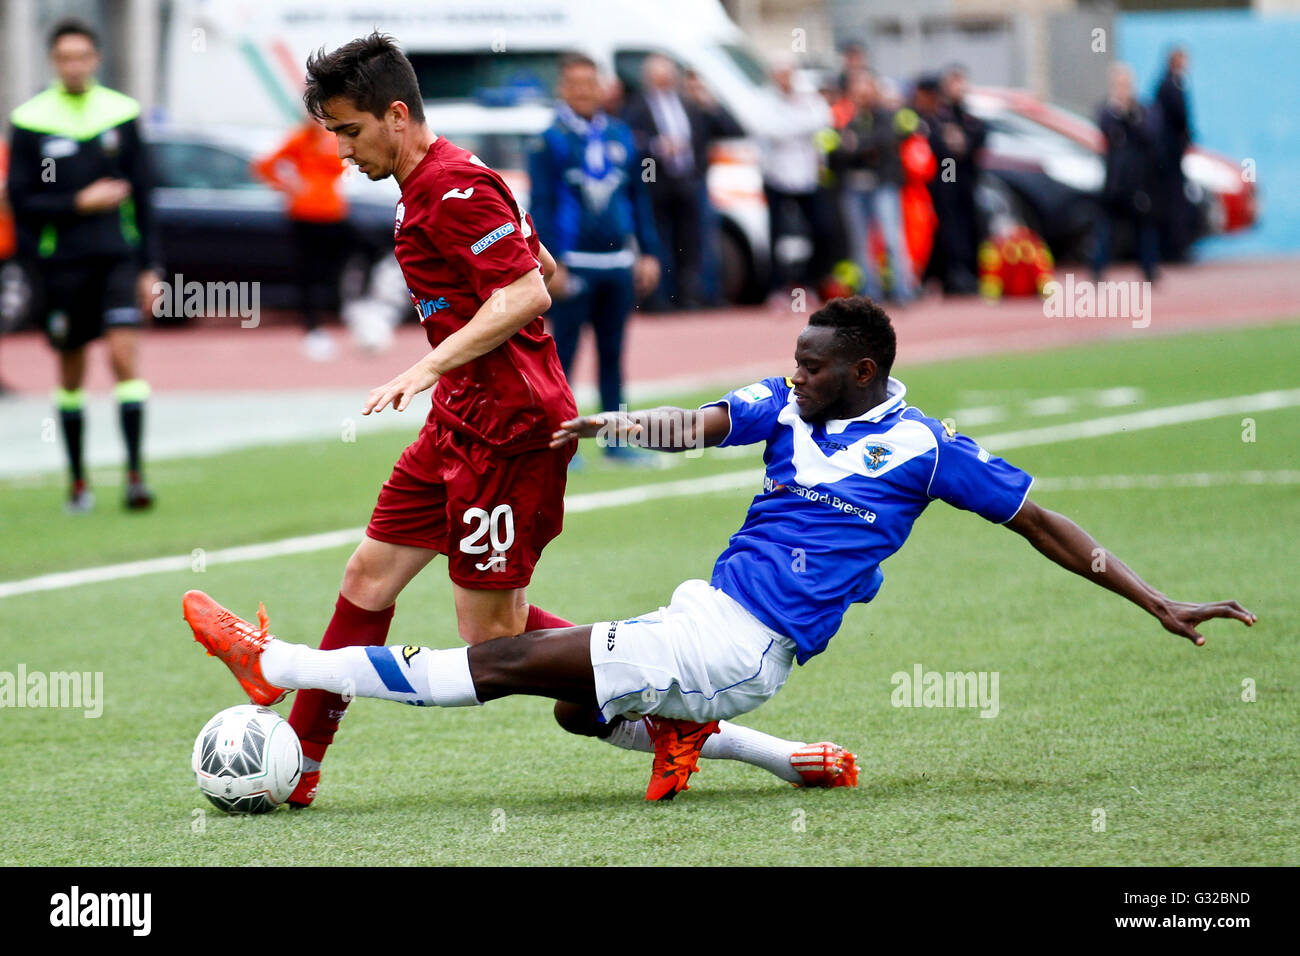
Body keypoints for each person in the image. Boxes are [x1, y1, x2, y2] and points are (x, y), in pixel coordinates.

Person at [184, 295, 1256, 801]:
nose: (794, 376)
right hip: (716, 622)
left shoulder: (924, 447)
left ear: (869, 365)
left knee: (502, 662)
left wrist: (1155, 597)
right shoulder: (785, 408)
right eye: (793, 360)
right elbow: (698, 421)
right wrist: (608, 425)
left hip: (743, 641)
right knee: (573, 704)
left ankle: (270, 665)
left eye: (815, 366)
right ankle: (754, 751)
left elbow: (1042, 523)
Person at [271, 32, 845, 808]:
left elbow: (529, 294)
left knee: (494, 643)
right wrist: (466, 347)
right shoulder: (440, 184)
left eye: (348, 130)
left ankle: (680, 715)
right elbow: (535, 266)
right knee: (368, 576)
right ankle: (299, 764)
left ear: (396, 114)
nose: (340, 149)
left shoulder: (456, 188)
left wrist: (428, 363)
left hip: (510, 429)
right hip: (460, 419)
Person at [7, 19, 160, 512]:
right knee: (72, 374)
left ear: (95, 60)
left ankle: (135, 477)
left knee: (123, 359)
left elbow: (146, 196)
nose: (74, 65)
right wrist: (79, 202)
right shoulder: (32, 120)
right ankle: (78, 482)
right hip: (63, 267)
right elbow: (22, 201)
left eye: (82, 57)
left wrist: (149, 265)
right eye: (64, 58)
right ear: (55, 63)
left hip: (117, 258)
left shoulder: (120, 114)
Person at [527, 53, 661, 463]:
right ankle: (563, 443)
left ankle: (616, 440)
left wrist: (650, 252)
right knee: (562, 358)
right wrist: (551, 265)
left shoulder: (622, 135)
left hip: (618, 263)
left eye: (591, 83)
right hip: (574, 264)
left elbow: (638, 199)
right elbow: (542, 206)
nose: (584, 91)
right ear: (563, 89)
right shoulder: (549, 140)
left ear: (602, 88)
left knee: (613, 353)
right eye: (575, 84)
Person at [623, 54, 741, 310]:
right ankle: (662, 299)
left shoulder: (690, 104)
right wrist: (656, 145)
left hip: (690, 181)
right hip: (656, 183)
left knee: (694, 242)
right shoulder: (636, 107)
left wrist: (711, 103)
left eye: (668, 74)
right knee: (661, 241)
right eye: (659, 75)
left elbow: (732, 129)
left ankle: (695, 296)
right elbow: (628, 139)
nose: (665, 80)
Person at [252, 115, 352, 361]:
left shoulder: (332, 139)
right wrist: (287, 186)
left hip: (331, 212)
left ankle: (335, 313)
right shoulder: (298, 139)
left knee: (334, 267)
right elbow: (264, 165)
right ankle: (311, 323)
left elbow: (344, 167)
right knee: (307, 269)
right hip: (304, 214)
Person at [827, 72, 916, 304]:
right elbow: (836, 148)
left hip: (882, 184)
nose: (861, 94)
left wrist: (855, 145)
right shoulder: (846, 118)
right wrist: (854, 147)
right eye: (856, 89)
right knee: (860, 242)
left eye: (865, 88)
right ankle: (870, 293)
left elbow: (881, 141)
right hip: (854, 186)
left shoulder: (886, 115)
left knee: (890, 238)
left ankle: (902, 291)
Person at [762, 57, 833, 300]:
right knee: (779, 236)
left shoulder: (808, 95)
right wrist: (802, 126)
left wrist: (793, 126)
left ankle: (807, 282)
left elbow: (824, 120)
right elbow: (770, 129)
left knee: (819, 230)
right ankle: (779, 287)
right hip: (777, 176)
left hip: (807, 176)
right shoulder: (765, 98)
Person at [1092, 64, 1159, 283]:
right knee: (1106, 228)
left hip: (1138, 182)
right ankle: (1097, 270)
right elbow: (1105, 129)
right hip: (1114, 182)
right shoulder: (1107, 110)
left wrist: (1129, 115)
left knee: (1144, 229)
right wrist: (1118, 111)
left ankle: (1150, 271)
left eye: (1126, 84)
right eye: (1119, 84)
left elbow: (1149, 134)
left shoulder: (1142, 110)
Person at [1152, 47, 1195, 262]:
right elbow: (1179, 117)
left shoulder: (1168, 83)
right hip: (1170, 154)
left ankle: (1173, 248)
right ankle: (1174, 249)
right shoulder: (1172, 84)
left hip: (1169, 153)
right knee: (1174, 199)